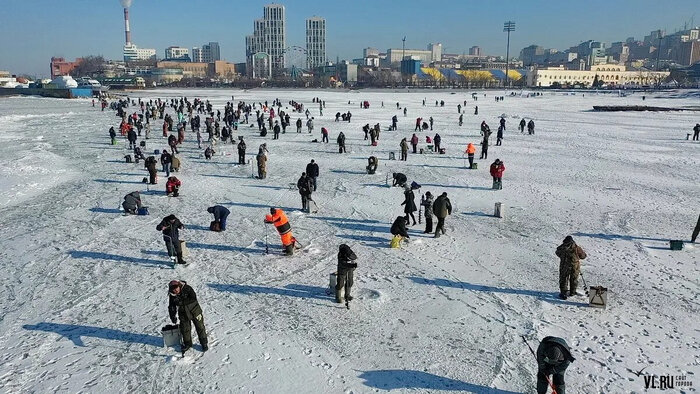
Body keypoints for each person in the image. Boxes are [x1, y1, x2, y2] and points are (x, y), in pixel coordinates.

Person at [168, 280, 208, 353]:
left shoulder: (187, 288)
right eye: (173, 289)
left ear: (179, 286)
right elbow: (171, 306)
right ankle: (188, 344)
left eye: (176, 287)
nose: (175, 290)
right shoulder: (172, 295)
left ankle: (204, 343)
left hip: (195, 311)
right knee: (185, 329)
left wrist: (182, 302)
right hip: (183, 314)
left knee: (200, 327)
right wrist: (172, 316)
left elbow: (193, 298)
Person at [555, 235, 587, 300]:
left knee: (563, 279)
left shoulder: (562, 247)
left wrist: (563, 257)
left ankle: (563, 292)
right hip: (574, 266)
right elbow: (583, 256)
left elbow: (557, 252)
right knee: (574, 279)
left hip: (564, 266)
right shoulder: (576, 247)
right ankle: (572, 292)